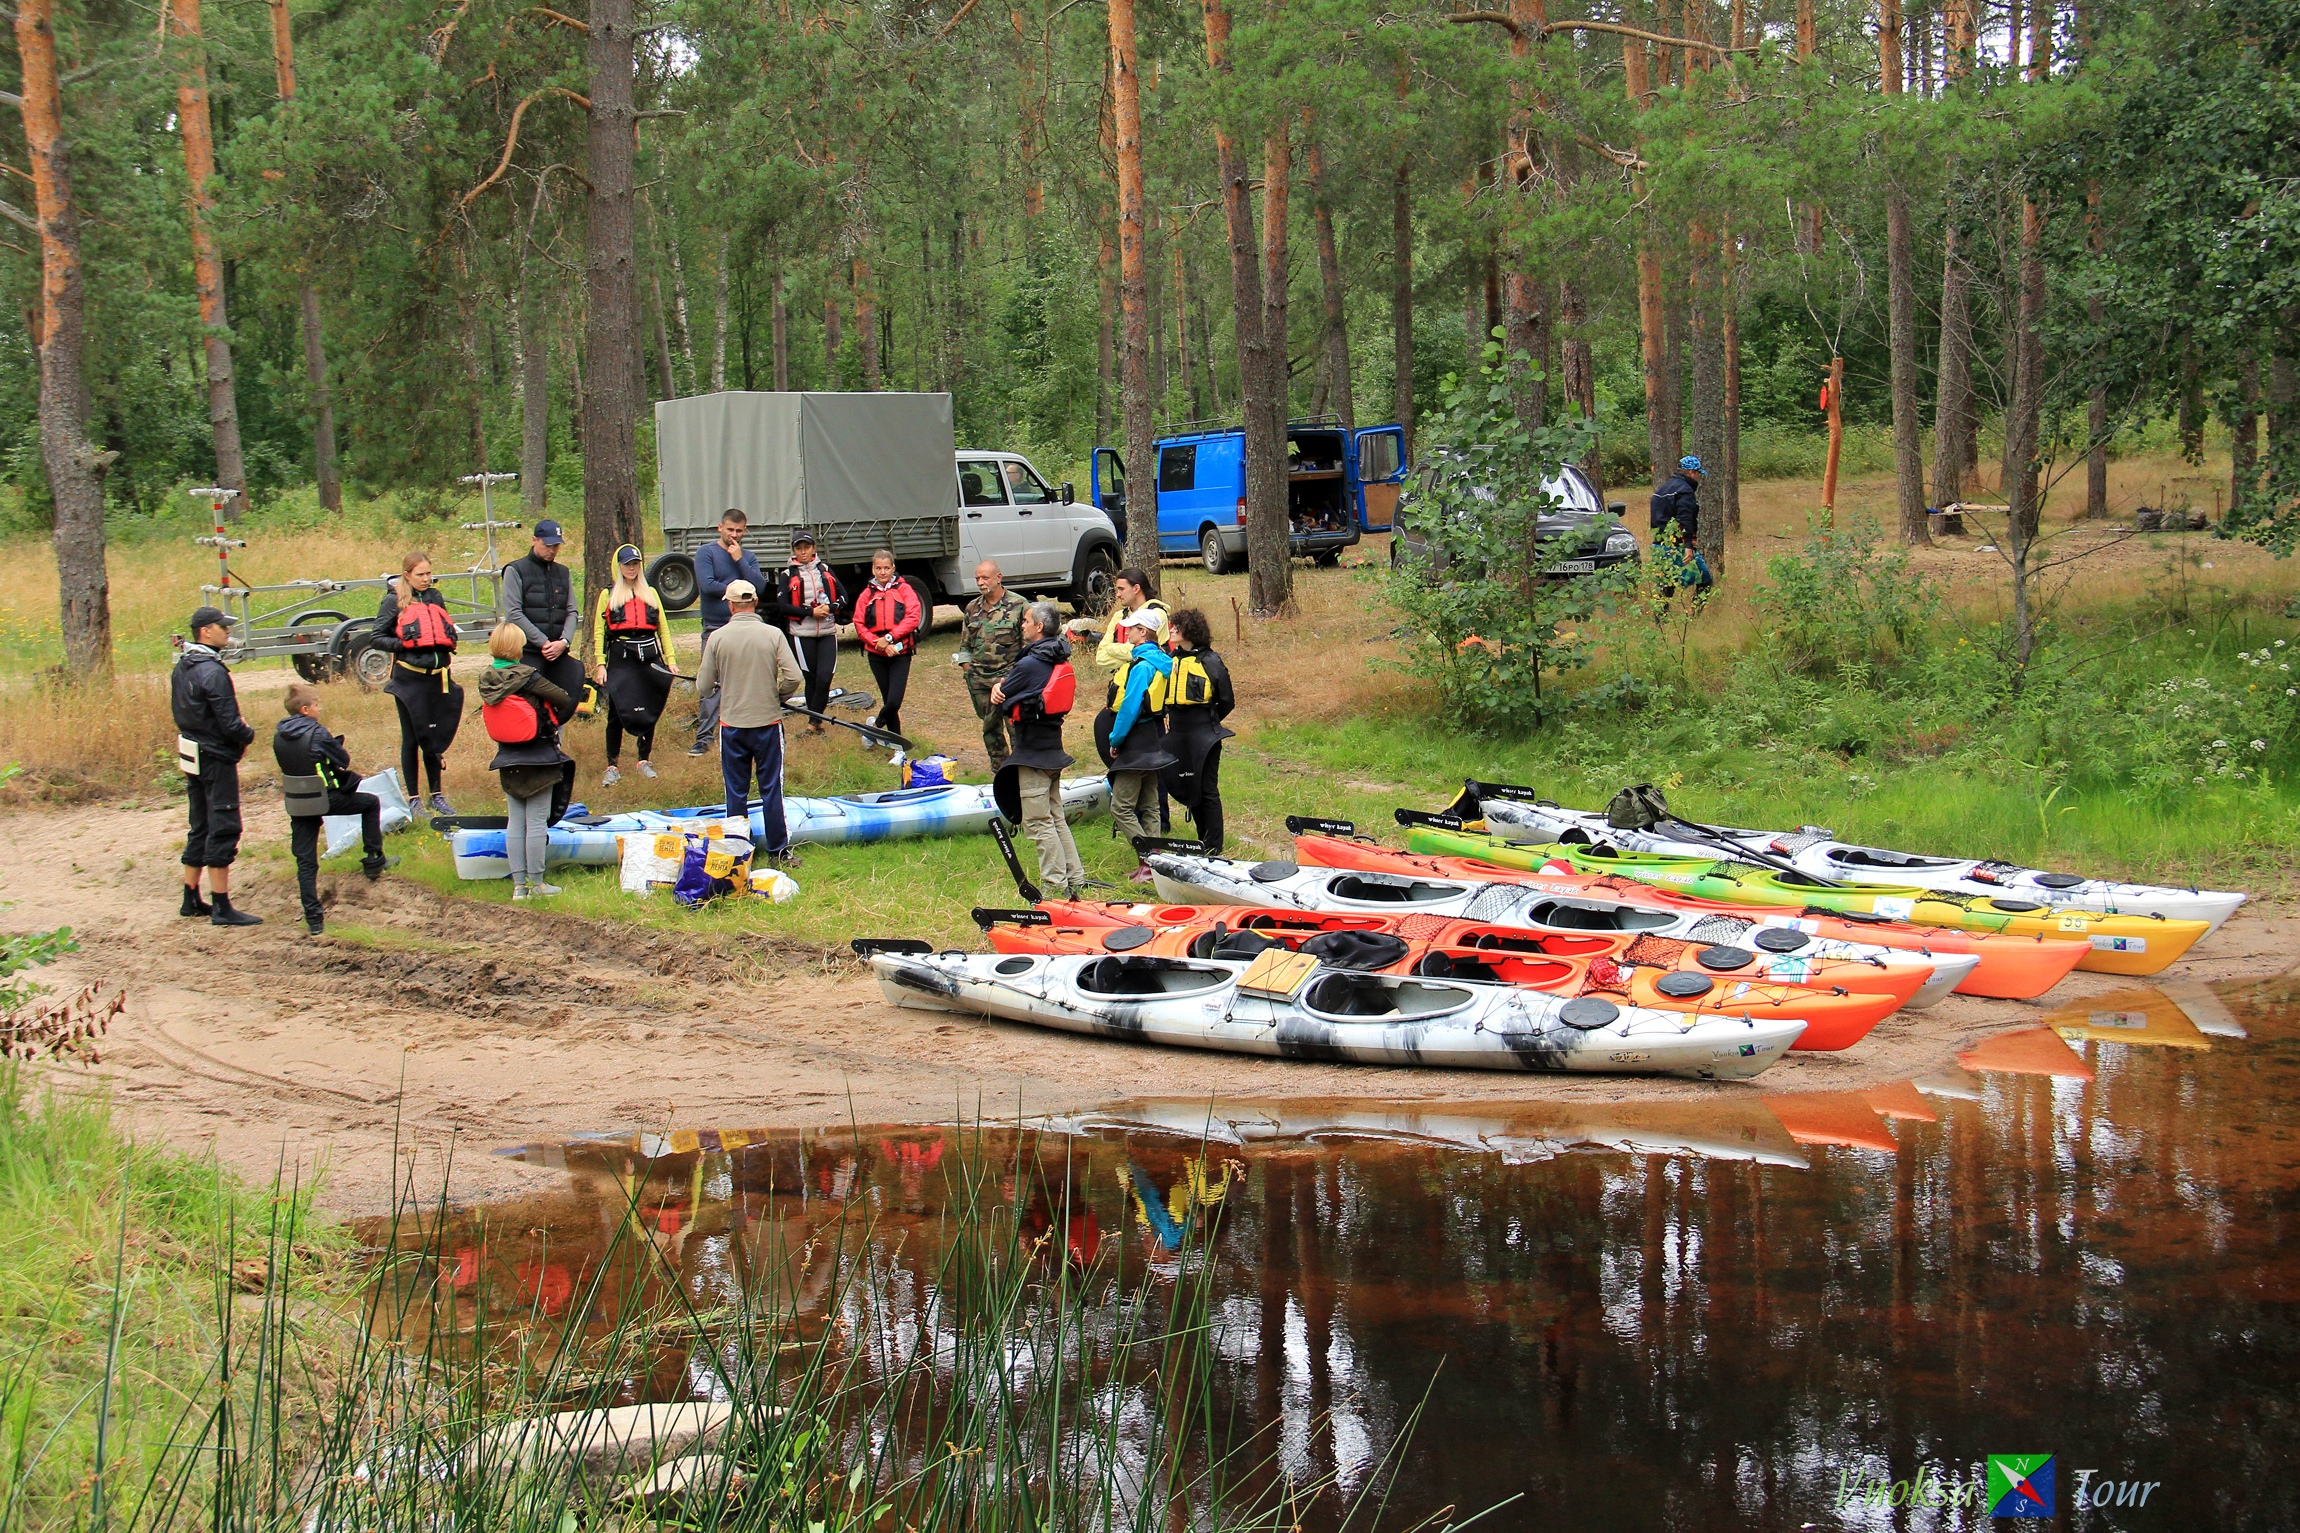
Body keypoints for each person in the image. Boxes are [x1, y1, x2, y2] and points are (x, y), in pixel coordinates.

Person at [693, 579, 806, 863]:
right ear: (754, 602)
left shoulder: (717, 638)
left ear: (730, 606)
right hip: (767, 723)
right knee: (771, 790)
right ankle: (779, 851)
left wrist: (722, 685)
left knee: (736, 792)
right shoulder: (773, 635)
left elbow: (703, 686)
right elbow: (794, 676)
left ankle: (737, 852)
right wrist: (778, 695)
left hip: (732, 726)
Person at [273, 684, 395, 934]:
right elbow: (342, 760)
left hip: (297, 801)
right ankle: (374, 860)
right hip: (324, 798)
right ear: (305, 710)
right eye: (317, 704)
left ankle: (314, 919)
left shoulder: (279, 734)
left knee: (305, 861)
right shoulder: (317, 733)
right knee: (370, 803)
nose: (320, 708)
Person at [990, 601, 1089, 897]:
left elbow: (1003, 700)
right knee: (1055, 816)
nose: (1022, 625)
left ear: (1039, 627)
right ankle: (1075, 878)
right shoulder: (1057, 658)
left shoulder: (1029, 663)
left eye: (1026, 621)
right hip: (1052, 749)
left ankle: (1054, 885)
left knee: (1038, 822)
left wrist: (999, 689)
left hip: (1032, 752)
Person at [171, 606, 261, 926]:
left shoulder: (183, 665)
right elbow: (229, 721)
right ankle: (222, 906)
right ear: (205, 632)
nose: (227, 631)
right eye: (222, 626)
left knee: (200, 823)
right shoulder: (212, 671)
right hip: (215, 756)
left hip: (191, 751)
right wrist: (247, 735)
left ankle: (190, 897)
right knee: (223, 824)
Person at [477, 621, 575, 900]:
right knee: (536, 821)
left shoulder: (486, 678)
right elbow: (562, 698)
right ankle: (538, 884)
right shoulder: (527, 676)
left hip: (507, 756)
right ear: (515, 648)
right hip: (539, 755)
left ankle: (519, 886)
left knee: (516, 821)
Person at [501, 518, 583, 820]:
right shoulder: (516, 570)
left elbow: (572, 610)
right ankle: (528, 765)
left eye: (556, 546)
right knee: (531, 712)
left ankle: (555, 755)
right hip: (530, 652)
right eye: (548, 545)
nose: (553, 551)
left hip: (557, 650)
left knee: (569, 687)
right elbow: (513, 612)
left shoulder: (563, 572)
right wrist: (542, 641)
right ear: (535, 541)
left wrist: (563, 641)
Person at [370, 551, 463, 816]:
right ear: (407, 575)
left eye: (428, 574)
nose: (425, 579)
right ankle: (413, 798)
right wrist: (407, 644)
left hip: (437, 677)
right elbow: (377, 637)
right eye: (420, 574)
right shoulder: (393, 601)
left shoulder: (435, 597)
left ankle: (436, 795)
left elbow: (443, 627)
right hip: (408, 678)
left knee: (433, 737)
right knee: (412, 738)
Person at [1095, 606, 1176, 883]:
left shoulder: (1141, 666)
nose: (1126, 631)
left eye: (1131, 628)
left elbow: (1129, 707)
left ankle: (1148, 859)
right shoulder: (1162, 660)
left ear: (1143, 632)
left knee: (1121, 807)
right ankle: (1154, 865)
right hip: (1154, 741)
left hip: (1135, 744)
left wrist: (1115, 740)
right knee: (1150, 805)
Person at [592, 544, 671, 785]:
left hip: (647, 656)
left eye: (635, 564)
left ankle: (643, 760)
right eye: (627, 564)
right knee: (616, 713)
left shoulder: (651, 594)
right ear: (619, 566)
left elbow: (664, 630)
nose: (631, 568)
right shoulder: (608, 595)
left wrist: (671, 661)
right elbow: (599, 632)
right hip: (621, 658)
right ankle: (612, 765)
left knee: (648, 710)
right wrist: (600, 664)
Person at [1160, 608, 1236, 854]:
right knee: (1189, 786)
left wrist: (1209, 723)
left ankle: (1214, 847)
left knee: (1207, 790)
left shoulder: (1210, 661)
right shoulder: (1172, 659)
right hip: (1178, 733)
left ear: (1189, 630)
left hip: (1204, 733)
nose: (1171, 630)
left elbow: (1226, 700)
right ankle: (1202, 841)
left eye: (1176, 626)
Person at [690, 509, 764, 756]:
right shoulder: (706, 553)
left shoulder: (747, 556)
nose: (734, 535)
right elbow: (707, 585)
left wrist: (739, 560)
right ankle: (704, 737)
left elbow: (760, 586)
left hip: (745, 626)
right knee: (711, 683)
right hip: (715, 626)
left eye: (739, 531)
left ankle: (744, 733)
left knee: (747, 681)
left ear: (745, 531)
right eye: (730, 529)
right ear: (719, 527)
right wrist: (740, 591)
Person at [851, 549, 924, 752]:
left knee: (894, 701)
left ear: (893, 568)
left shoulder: (904, 590)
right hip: (877, 654)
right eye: (878, 568)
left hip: (900, 652)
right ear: (873, 569)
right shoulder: (867, 594)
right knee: (888, 701)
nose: (882, 572)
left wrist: (890, 638)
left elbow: (912, 617)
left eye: (886, 568)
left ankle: (873, 729)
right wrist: (878, 642)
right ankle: (898, 746)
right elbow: (859, 623)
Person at [958, 559, 1028, 770]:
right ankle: (1000, 769)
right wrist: (968, 669)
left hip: (1009, 678)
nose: (980, 582)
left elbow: (1028, 647)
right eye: (977, 578)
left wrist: (1017, 676)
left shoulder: (1019, 606)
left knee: (1015, 725)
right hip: (979, 679)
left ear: (999, 578)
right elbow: (965, 646)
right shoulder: (972, 608)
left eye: (985, 577)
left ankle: (1021, 767)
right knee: (989, 727)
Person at [772, 530, 846, 728]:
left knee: (825, 677)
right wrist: (810, 613)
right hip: (802, 633)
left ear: (813, 548)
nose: (803, 552)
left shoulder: (825, 570)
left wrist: (830, 608)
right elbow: (783, 606)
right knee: (811, 679)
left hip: (827, 631)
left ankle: (814, 721)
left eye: (807, 547)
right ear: (794, 551)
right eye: (799, 548)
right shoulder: (788, 574)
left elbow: (844, 596)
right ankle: (815, 724)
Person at [1069, 568, 1171, 674]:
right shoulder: (1119, 616)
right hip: (1122, 683)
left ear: (1136, 588)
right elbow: (1101, 658)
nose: (1117, 595)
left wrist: (1112, 648)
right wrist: (1131, 655)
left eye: (1121, 589)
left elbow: (1150, 654)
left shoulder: (1157, 615)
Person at [1649, 455, 1712, 592]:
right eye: (1698, 474)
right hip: (1678, 546)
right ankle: (1693, 613)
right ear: (1691, 473)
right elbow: (1686, 519)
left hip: (1659, 545)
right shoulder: (1685, 491)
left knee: (1666, 585)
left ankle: (1662, 613)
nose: (1698, 478)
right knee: (1705, 580)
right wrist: (1688, 546)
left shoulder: (1663, 489)